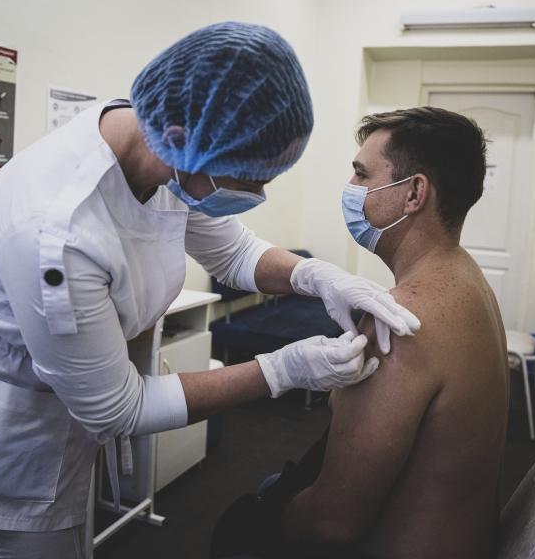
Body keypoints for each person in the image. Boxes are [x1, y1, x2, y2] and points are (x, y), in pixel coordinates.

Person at [0, 22, 420, 559]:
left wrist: (319, 278)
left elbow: (235, 252)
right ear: (180, 142)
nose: (259, 194)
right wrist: (285, 369)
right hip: (2, 432)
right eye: (247, 180)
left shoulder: (159, 149)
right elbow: (117, 409)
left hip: (64, 401)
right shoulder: (55, 233)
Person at [210, 106, 508, 559]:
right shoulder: (469, 280)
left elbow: (330, 524)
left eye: (361, 174)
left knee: (236, 524)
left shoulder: (400, 319)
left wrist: (264, 515)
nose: (351, 190)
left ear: (413, 193)